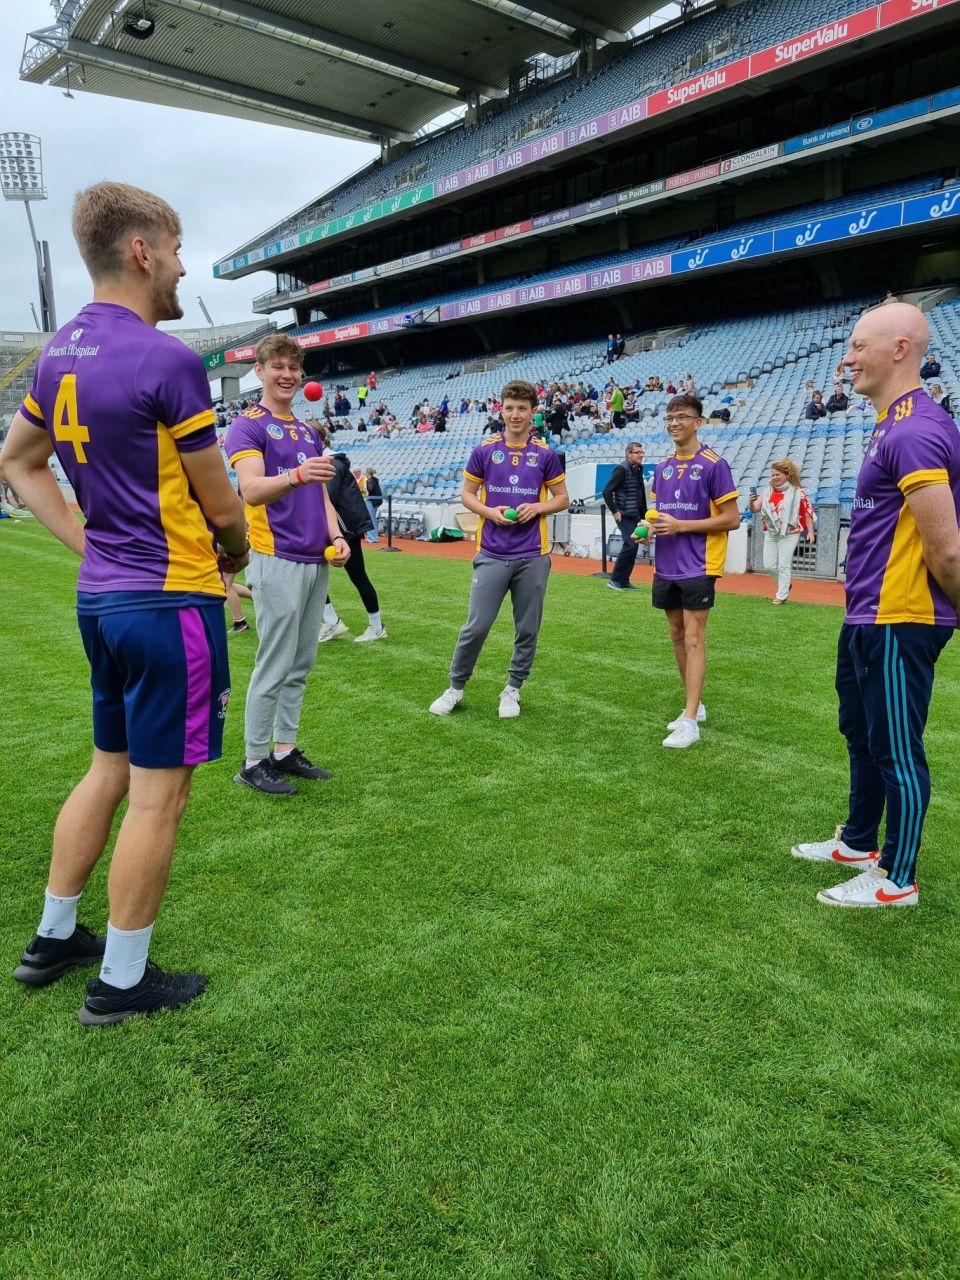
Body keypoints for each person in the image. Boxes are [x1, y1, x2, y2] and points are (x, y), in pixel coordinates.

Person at [0, 181, 249, 1025]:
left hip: (103, 602)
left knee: (107, 768)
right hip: (170, 600)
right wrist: (240, 553)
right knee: (157, 795)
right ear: (143, 250)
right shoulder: (166, 358)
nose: (181, 266)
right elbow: (221, 504)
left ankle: (51, 937)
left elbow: (19, 460)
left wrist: (87, 544)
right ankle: (121, 981)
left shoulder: (59, 350)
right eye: (176, 250)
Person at [792, 302, 960, 907]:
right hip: (867, 612)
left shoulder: (916, 428)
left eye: (860, 345)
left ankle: (897, 877)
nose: (847, 357)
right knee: (862, 734)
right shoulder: (891, 423)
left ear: (900, 350)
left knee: (895, 746)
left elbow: (946, 549)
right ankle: (859, 841)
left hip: (900, 615)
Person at [225, 334, 347, 796]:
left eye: (294, 368)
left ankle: (284, 749)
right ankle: (253, 760)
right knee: (274, 662)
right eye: (278, 366)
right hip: (276, 557)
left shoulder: (308, 431)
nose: (288, 375)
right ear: (259, 371)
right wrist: (297, 474)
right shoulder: (247, 426)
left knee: (301, 661)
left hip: (317, 558)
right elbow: (251, 490)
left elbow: (319, 494)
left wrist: (337, 536)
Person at [429, 379, 568, 719]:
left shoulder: (545, 455)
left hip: (533, 554)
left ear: (533, 413)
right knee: (476, 626)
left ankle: (512, 689)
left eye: (522, 408)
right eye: (509, 408)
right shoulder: (485, 450)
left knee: (527, 629)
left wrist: (537, 508)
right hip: (492, 552)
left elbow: (563, 498)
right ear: (501, 410)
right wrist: (489, 512)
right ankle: (455, 688)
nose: (515, 414)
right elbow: (467, 494)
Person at [643, 394, 739, 748]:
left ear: (698, 422)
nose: (673, 422)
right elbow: (660, 512)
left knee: (694, 636)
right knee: (675, 632)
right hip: (666, 563)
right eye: (669, 417)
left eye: (681, 416)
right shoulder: (664, 466)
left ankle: (690, 720)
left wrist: (682, 527)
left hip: (699, 562)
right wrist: (649, 527)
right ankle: (693, 707)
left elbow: (732, 519)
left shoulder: (714, 465)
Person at [317, 446, 387, 645]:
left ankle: (376, 626)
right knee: (317, 577)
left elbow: (327, 498)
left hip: (343, 531)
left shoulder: (333, 465)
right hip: (340, 529)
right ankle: (332, 621)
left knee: (358, 576)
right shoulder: (334, 464)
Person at [747, 459, 815, 604]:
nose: (774, 478)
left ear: (787, 475)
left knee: (784, 564)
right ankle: (785, 584)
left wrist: (810, 532)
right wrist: (750, 501)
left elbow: (808, 512)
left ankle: (781, 596)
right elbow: (755, 509)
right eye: (772, 475)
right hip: (771, 532)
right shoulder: (767, 492)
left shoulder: (798, 492)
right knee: (769, 565)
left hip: (790, 532)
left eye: (777, 475)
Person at [602, 443, 648, 591]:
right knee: (630, 544)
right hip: (624, 515)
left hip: (635, 514)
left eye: (642, 452)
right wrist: (615, 511)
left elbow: (640, 493)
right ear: (629, 454)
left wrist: (644, 515)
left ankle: (624, 580)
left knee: (633, 547)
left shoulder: (638, 469)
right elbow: (607, 491)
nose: (641, 455)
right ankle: (614, 579)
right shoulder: (621, 469)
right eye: (637, 452)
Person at [364, 467, 382, 543]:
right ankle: (374, 537)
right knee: (373, 519)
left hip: (371, 501)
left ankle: (372, 538)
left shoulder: (370, 480)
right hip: (376, 501)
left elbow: (370, 489)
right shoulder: (375, 480)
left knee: (371, 519)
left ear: (367, 473)